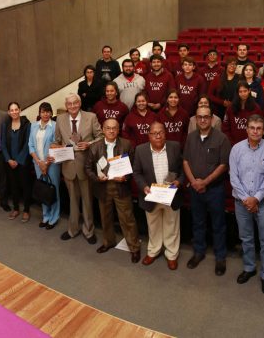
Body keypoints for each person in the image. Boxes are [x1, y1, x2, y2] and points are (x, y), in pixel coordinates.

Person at [230, 115, 264, 294]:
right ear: (247, 129)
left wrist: (255, 199)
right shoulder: (236, 149)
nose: (255, 131)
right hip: (241, 202)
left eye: (259, 128)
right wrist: (247, 200)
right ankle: (249, 268)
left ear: (263, 130)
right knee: (246, 238)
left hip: (262, 203)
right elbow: (233, 177)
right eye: (252, 128)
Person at [84, 118, 140, 263]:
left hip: (121, 187)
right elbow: (88, 169)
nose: (111, 131)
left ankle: (134, 247)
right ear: (103, 129)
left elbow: (133, 166)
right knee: (105, 217)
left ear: (118, 129)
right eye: (108, 128)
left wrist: (125, 177)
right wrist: (97, 178)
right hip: (103, 187)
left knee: (127, 219)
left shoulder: (127, 144)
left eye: (114, 128)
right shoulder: (95, 147)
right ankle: (108, 242)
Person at [184, 106, 232, 274]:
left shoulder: (221, 139)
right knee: (198, 223)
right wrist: (194, 182)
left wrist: (205, 182)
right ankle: (199, 252)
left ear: (212, 119)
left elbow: (223, 165)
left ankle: (220, 257)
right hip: (195, 190)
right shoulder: (190, 138)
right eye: (199, 117)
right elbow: (185, 161)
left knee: (218, 225)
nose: (203, 120)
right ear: (196, 119)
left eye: (206, 117)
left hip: (214, 190)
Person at [51, 93, 102, 244]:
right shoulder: (60, 119)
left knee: (87, 200)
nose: (72, 106)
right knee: (72, 200)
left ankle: (88, 230)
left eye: (75, 103)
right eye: (69, 104)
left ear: (79, 104)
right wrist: (56, 147)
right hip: (68, 165)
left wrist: (89, 144)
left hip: (86, 166)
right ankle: (72, 229)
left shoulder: (91, 117)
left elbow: (102, 137)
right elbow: (56, 140)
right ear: (66, 106)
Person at [134, 122, 185, 270]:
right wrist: (144, 186)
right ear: (148, 135)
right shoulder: (140, 150)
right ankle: (153, 251)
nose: (158, 135)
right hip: (151, 196)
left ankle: (171, 255)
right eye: (154, 133)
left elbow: (183, 170)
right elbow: (136, 173)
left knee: (172, 225)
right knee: (153, 226)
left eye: (161, 132)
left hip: (171, 195)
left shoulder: (175, 147)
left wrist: (178, 182)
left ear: (165, 133)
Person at [28, 102, 61, 229]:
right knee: (43, 189)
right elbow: (30, 145)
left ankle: (54, 218)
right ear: (39, 113)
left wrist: (46, 164)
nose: (45, 114)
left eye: (48, 111)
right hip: (38, 163)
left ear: (51, 113)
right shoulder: (33, 126)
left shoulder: (55, 126)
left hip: (52, 164)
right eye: (43, 112)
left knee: (53, 189)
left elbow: (55, 145)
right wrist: (38, 162)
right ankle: (45, 216)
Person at [1, 102, 32, 221]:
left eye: (16, 109)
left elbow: (27, 144)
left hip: (22, 162)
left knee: (25, 186)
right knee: (13, 186)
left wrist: (18, 161)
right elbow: (3, 144)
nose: (14, 112)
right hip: (9, 162)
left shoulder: (26, 124)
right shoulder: (5, 125)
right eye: (11, 110)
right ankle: (16, 208)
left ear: (20, 110)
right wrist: (8, 159)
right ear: (8, 112)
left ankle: (26, 210)